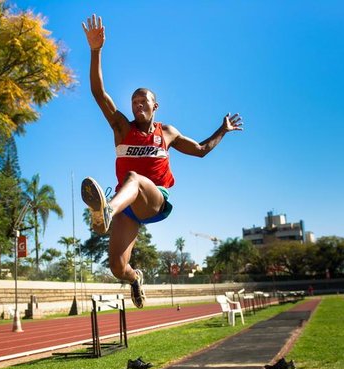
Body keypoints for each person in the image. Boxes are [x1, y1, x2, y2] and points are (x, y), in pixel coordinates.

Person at [80, 14, 243, 308]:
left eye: (144, 101)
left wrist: (223, 130)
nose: (138, 104)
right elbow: (98, 92)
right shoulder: (121, 128)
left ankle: (106, 211)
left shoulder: (166, 133)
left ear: (156, 105)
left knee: (133, 179)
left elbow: (202, 149)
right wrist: (95, 50)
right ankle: (135, 279)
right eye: (134, 101)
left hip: (154, 198)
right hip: (128, 208)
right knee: (116, 267)